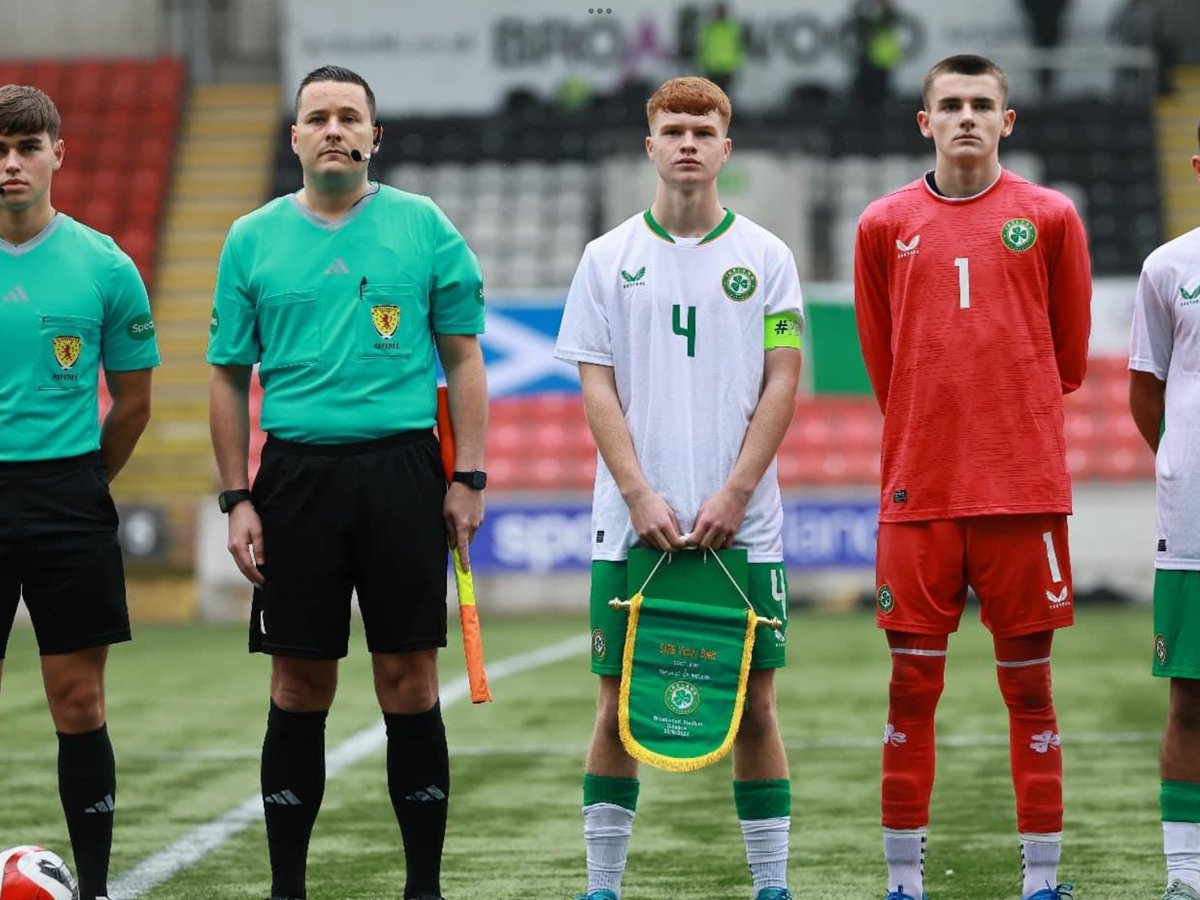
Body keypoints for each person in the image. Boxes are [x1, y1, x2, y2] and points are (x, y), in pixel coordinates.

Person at [206, 64, 487, 900]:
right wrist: (237, 497)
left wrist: (468, 475)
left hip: (402, 472)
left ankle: (423, 888)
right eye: (319, 117)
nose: (334, 129)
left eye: (349, 117)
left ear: (374, 136)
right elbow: (227, 377)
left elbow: (464, 358)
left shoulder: (423, 225)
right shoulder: (250, 237)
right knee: (299, 685)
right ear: (295, 136)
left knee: (409, 680)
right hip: (295, 478)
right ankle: (286, 888)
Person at [555, 75, 803, 900]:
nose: (688, 143)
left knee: (756, 708)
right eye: (673, 130)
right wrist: (637, 494)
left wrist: (735, 492)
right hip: (631, 525)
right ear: (650, 146)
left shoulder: (767, 258)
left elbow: (783, 379)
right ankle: (602, 887)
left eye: (702, 131)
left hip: (746, 528)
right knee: (617, 706)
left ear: (726, 149)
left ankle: (771, 885)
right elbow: (596, 386)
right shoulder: (606, 258)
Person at [853, 54, 1091, 900]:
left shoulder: (1051, 216)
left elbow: (1068, 359)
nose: (965, 117)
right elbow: (883, 363)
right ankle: (904, 884)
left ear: (1006, 121)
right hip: (920, 492)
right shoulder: (883, 224)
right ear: (925, 121)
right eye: (949, 104)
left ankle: (1041, 884)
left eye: (981, 105)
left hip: (1022, 492)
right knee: (910, 689)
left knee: (1031, 693)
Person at [0, 84, 159, 900]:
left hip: (69, 494)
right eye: (0, 150)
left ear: (57, 154)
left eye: (27, 147)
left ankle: (93, 886)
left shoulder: (105, 265)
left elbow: (133, 403)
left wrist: (88, 480)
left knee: (78, 698)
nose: (11, 164)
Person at [1129, 126, 1200, 900]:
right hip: (1193, 524)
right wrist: (1183, 462)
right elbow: (1145, 392)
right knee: (1190, 697)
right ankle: (1186, 873)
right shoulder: (1169, 266)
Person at [698, 3, 745, 96]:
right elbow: (702, 48)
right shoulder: (709, 29)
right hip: (712, 68)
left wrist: (737, 64)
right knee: (712, 97)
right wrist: (701, 63)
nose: (720, 14)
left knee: (725, 96)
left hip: (727, 68)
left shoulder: (732, 29)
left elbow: (739, 48)